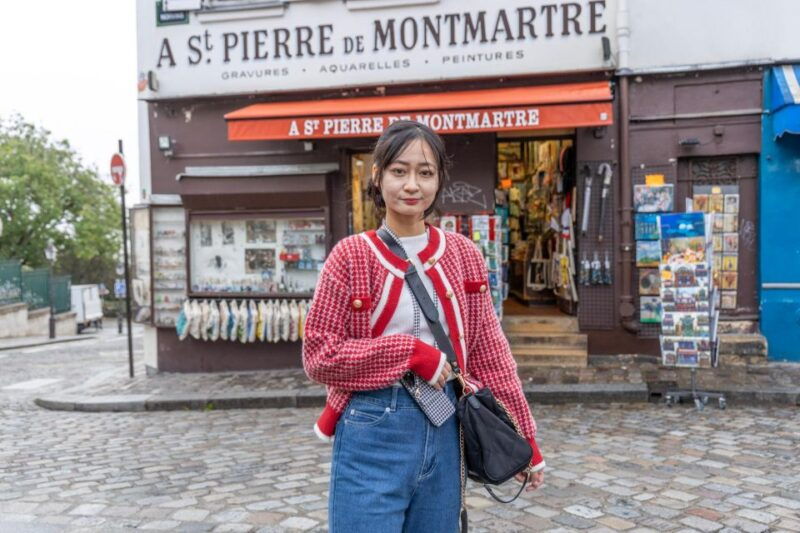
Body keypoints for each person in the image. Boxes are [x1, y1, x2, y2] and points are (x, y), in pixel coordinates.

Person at [302, 120, 545, 532]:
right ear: (377, 177)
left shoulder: (464, 255)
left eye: (425, 172)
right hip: (371, 426)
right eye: (399, 171)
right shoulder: (350, 257)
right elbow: (319, 356)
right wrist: (411, 353)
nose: (411, 184)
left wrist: (526, 442)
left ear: (439, 181)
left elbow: (490, 353)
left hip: (448, 424)